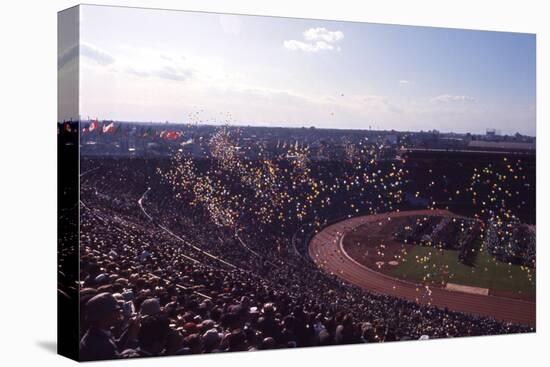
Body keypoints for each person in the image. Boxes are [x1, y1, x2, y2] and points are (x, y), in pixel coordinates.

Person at [79, 292, 123, 361]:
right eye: (115, 310)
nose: (119, 313)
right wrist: (132, 341)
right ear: (102, 315)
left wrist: (130, 331)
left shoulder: (96, 334)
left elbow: (115, 344)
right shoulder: (100, 345)